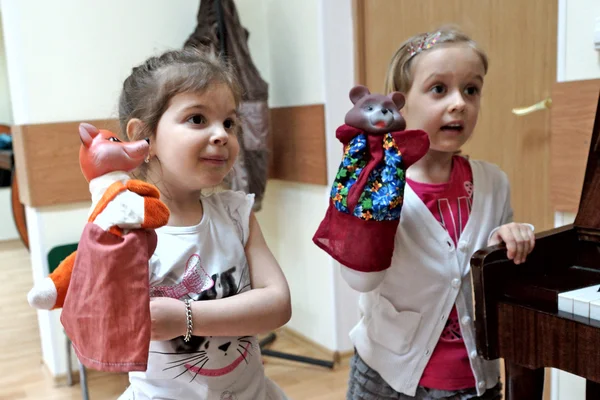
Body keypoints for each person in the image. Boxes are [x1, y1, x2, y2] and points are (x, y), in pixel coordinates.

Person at [343, 27, 536, 400]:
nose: (459, 103)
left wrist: (510, 240)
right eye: (438, 89)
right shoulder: (379, 183)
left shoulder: (493, 182)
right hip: (385, 373)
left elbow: (497, 274)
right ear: (401, 104)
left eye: (471, 89)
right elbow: (361, 278)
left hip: (471, 377)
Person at [115, 47, 291, 400]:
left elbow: (278, 304)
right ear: (143, 138)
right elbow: (112, 331)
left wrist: (185, 317)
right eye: (197, 119)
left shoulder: (236, 213)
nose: (221, 134)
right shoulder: (124, 228)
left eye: (228, 122)